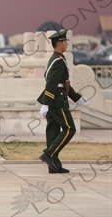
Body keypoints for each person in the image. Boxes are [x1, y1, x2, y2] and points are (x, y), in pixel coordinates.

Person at [37, 29, 89, 174]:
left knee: (53, 131)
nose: (66, 44)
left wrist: (78, 97)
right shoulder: (59, 61)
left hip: (55, 98)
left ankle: (54, 165)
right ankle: (48, 155)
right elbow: (52, 83)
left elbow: (63, 83)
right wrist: (46, 103)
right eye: (65, 42)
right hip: (57, 100)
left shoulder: (57, 58)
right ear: (59, 43)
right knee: (69, 129)